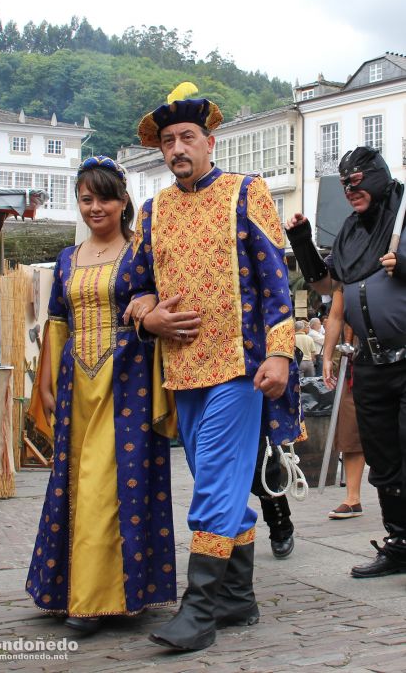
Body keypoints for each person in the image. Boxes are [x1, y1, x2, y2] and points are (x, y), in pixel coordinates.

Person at [125, 84, 303, 651]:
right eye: (169, 141)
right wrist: (147, 316)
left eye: (188, 137)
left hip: (239, 366)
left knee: (212, 490)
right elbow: (134, 284)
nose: (178, 148)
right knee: (219, 484)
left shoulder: (245, 191)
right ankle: (237, 600)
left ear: (210, 141)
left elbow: (277, 281)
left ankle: (198, 610)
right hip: (180, 372)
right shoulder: (152, 210)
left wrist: (280, 351)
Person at [26, 156, 177, 635]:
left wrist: (149, 301)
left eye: (105, 198)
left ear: (123, 201)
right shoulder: (67, 259)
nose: (96, 207)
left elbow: (158, 297)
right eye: (86, 199)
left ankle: (97, 599)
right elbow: (57, 321)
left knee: (107, 483)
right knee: (73, 481)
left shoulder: (140, 253)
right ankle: (74, 589)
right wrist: (45, 382)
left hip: (126, 383)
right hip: (75, 383)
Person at [285, 145, 406, 578]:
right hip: (370, 360)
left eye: (357, 181)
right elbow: (324, 283)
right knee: (383, 457)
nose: (351, 190)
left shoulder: (405, 218)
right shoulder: (352, 232)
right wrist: (300, 240)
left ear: (377, 178)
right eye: (345, 183)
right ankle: (399, 543)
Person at [322, 289, 365, 519]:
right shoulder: (347, 266)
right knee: (349, 427)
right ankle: (353, 498)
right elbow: (336, 315)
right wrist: (327, 356)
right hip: (356, 358)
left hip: (395, 351)